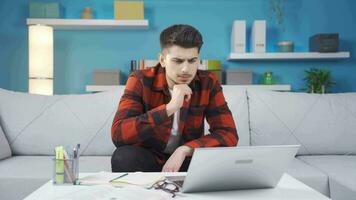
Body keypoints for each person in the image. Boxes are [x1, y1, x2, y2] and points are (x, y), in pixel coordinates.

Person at [111, 24, 238, 172]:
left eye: (192, 61)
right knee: (123, 157)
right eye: (178, 61)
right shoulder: (139, 79)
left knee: (223, 161)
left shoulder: (208, 82)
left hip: (186, 159)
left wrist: (185, 150)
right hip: (150, 157)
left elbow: (228, 133)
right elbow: (118, 134)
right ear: (163, 60)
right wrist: (169, 108)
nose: (185, 69)